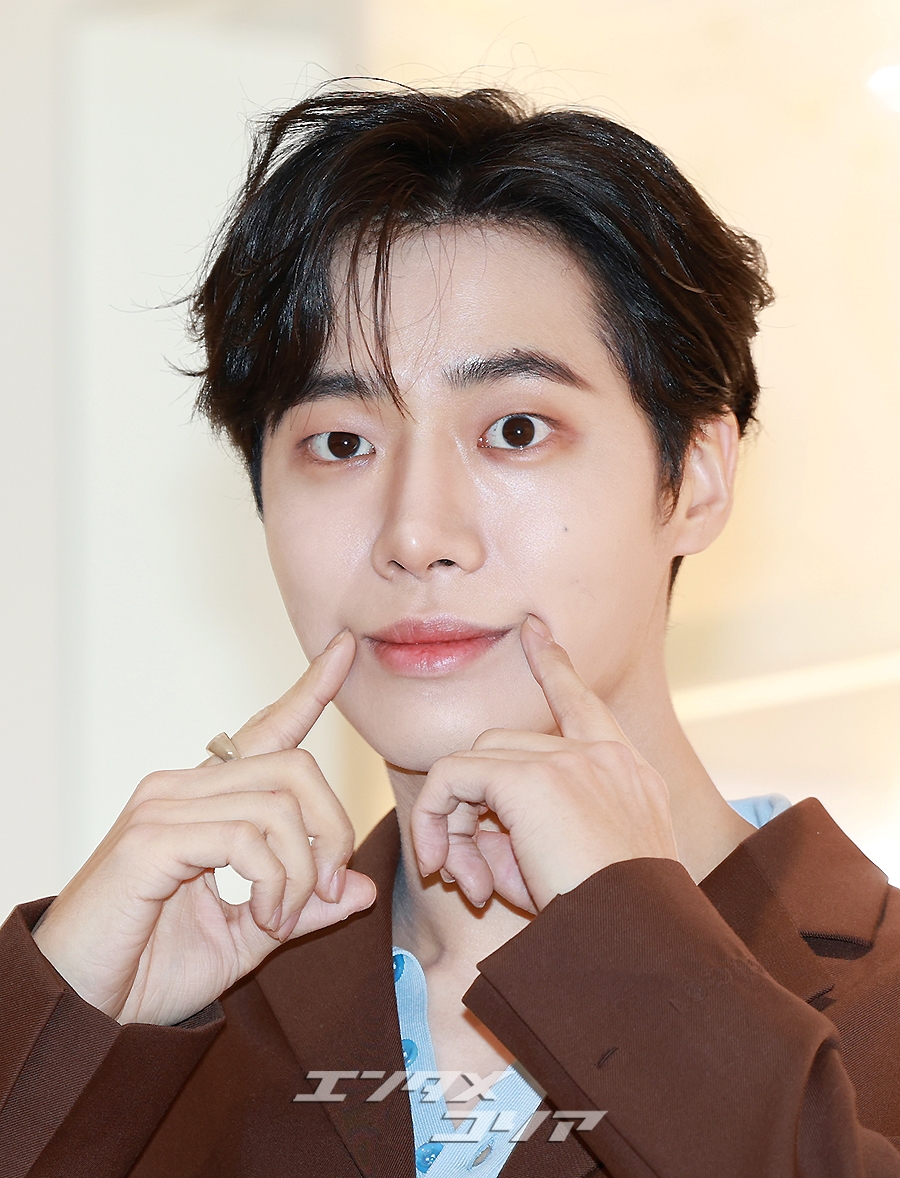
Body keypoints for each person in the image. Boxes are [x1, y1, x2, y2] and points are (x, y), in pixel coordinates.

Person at [1, 84, 899, 1178]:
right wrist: (55, 1024)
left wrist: (636, 946)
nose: (415, 534)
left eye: (515, 429)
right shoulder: (154, 1023)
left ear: (695, 478)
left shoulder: (880, 992)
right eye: (340, 443)